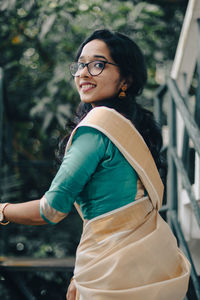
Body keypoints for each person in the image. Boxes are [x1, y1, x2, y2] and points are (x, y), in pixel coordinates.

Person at [0, 29, 190, 300]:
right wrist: (79, 274)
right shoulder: (130, 127)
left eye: (98, 64)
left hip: (110, 276)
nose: (83, 73)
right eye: (80, 64)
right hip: (149, 267)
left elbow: (50, 210)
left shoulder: (97, 128)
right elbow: (118, 212)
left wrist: (2, 210)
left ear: (125, 78)